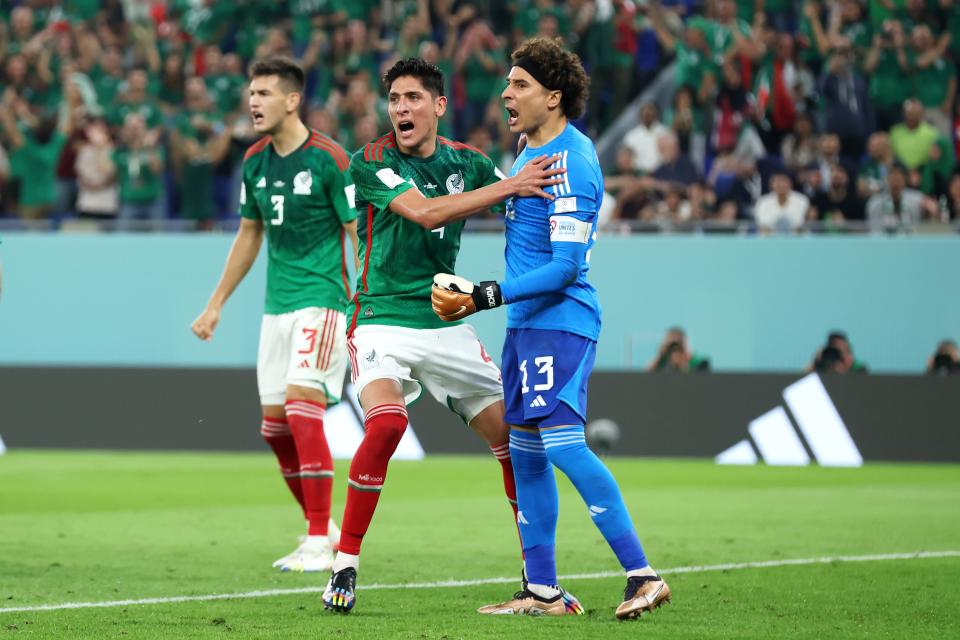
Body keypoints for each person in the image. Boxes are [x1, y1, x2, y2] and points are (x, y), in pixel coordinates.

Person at [431, 37, 670, 620]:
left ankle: (643, 574)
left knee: (563, 446)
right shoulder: (526, 151)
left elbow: (565, 267)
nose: (506, 94)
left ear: (553, 97)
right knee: (528, 454)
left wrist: (482, 293)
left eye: (520, 85)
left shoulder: (573, 161)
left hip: (561, 323)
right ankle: (543, 591)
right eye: (508, 83)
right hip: (525, 326)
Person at [321, 57, 567, 614]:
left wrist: (539, 198)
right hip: (381, 316)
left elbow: (526, 203)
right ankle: (345, 563)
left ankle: (538, 576)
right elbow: (428, 214)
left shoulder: (468, 162)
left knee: (516, 441)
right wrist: (510, 185)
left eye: (412, 98)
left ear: (438, 105)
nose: (400, 109)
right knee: (387, 425)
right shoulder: (371, 162)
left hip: (446, 320)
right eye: (394, 100)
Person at [191, 57, 357, 573]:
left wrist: (365, 301)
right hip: (276, 307)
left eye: (263, 93)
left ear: (292, 100)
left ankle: (314, 542)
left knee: (304, 408)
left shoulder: (331, 159)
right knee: (274, 429)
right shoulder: (255, 160)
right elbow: (249, 234)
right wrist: (215, 303)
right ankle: (322, 526)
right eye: (250, 93)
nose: (252, 102)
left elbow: (358, 232)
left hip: (324, 298)